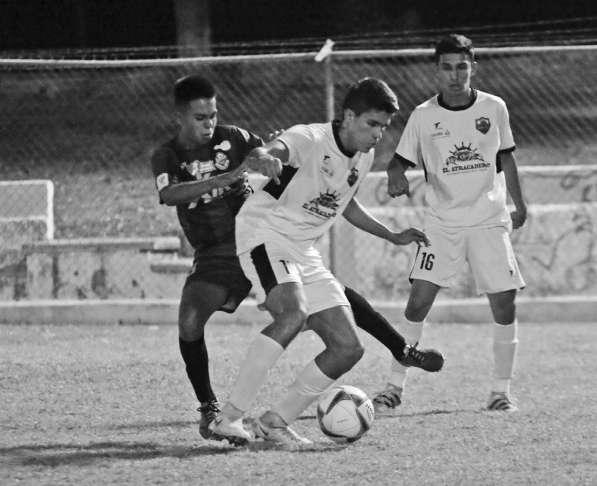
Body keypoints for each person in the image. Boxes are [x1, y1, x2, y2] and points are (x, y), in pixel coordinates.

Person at [209, 77, 441, 448]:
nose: (378, 134)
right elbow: (272, 150)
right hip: (265, 234)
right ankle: (229, 418)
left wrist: (391, 235)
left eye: (384, 126)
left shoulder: (363, 157)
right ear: (348, 116)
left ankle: (274, 423)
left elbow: (346, 204)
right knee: (293, 314)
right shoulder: (311, 138)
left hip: (303, 251)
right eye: (372, 124)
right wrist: (265, 156)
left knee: (348, 347)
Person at [373, 34, 527, 414]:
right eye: (447, 68)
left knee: (504, 303)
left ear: (473, 68)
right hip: (442, 224)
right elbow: (399, 160)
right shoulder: (424, 115)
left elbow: (507, 158)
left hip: (488, 219)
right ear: (436, 71)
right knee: (417, 304)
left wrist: (520, 204)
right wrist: (394, 174)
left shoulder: (494, 107)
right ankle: (393, 387)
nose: (455, 75)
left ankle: (500, 391)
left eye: (462, 67)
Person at [150, 75, 263, 440]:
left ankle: (397, 349)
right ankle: (209, 407)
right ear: (179, 117)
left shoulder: (234, 138)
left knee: (305, 311)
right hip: (214, 253)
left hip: (256, 241)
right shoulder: (167, 155)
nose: (209, 123)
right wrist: (220, 180)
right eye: (200, 117)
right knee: (188, 322)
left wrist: (267, 156)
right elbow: (169, 194)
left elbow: (265, 151)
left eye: (213, 115)